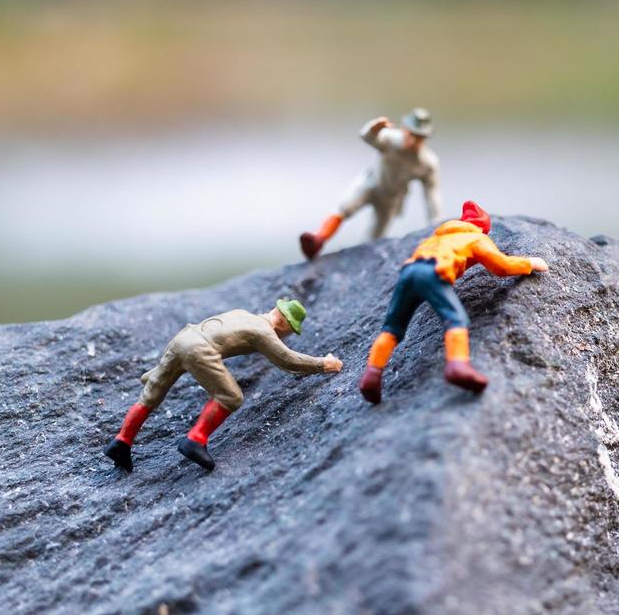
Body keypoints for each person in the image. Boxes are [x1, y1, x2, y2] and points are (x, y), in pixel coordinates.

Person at [104, 299, 342, 472]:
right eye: (291, 331)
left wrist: (162, 368)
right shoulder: (264, 331)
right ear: (283, 322)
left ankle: (121, 442)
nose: (288, 335)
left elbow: (223, 331)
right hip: (199, 349)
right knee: (231, 397)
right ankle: (195, 440)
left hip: (182, 338)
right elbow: (287, 360)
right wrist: (324, 364)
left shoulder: (244, 314)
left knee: (150, 396)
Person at [358, 200, 547, 402]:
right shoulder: (476, 238)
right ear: (483, 229)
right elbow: (501, 267)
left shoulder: (436, 238)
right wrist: (529, 263)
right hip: (433, 274)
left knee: (392, 329)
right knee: (455, 319)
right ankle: (458, 366)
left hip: (408, 272)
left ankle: (371, 375)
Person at [300, 108, 443, 260]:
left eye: (419, 138)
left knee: (375, 234)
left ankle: (363, 262)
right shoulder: (391, 140)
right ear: (404, 129)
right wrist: (374, 128)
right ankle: (319, 239)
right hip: (371, 183)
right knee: (344, 207)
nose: (413, 141)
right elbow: (368, 138)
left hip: (391, 198)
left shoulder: (427, 163)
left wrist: (435, 224)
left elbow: (431, 194)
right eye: (411, 134)